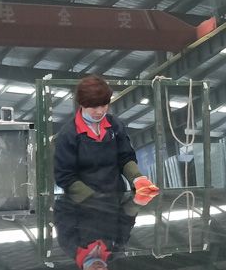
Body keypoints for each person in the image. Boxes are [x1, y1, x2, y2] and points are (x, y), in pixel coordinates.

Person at [54, 75, 160, 203]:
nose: (100, 111)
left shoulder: (115, 125)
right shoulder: (68, 134)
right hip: (83, 207)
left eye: (104, 105)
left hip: (117, 199)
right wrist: (92, 199)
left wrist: (137, 178)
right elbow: (65, 176)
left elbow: (125, 157)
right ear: (82, 104)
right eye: (94, 107)